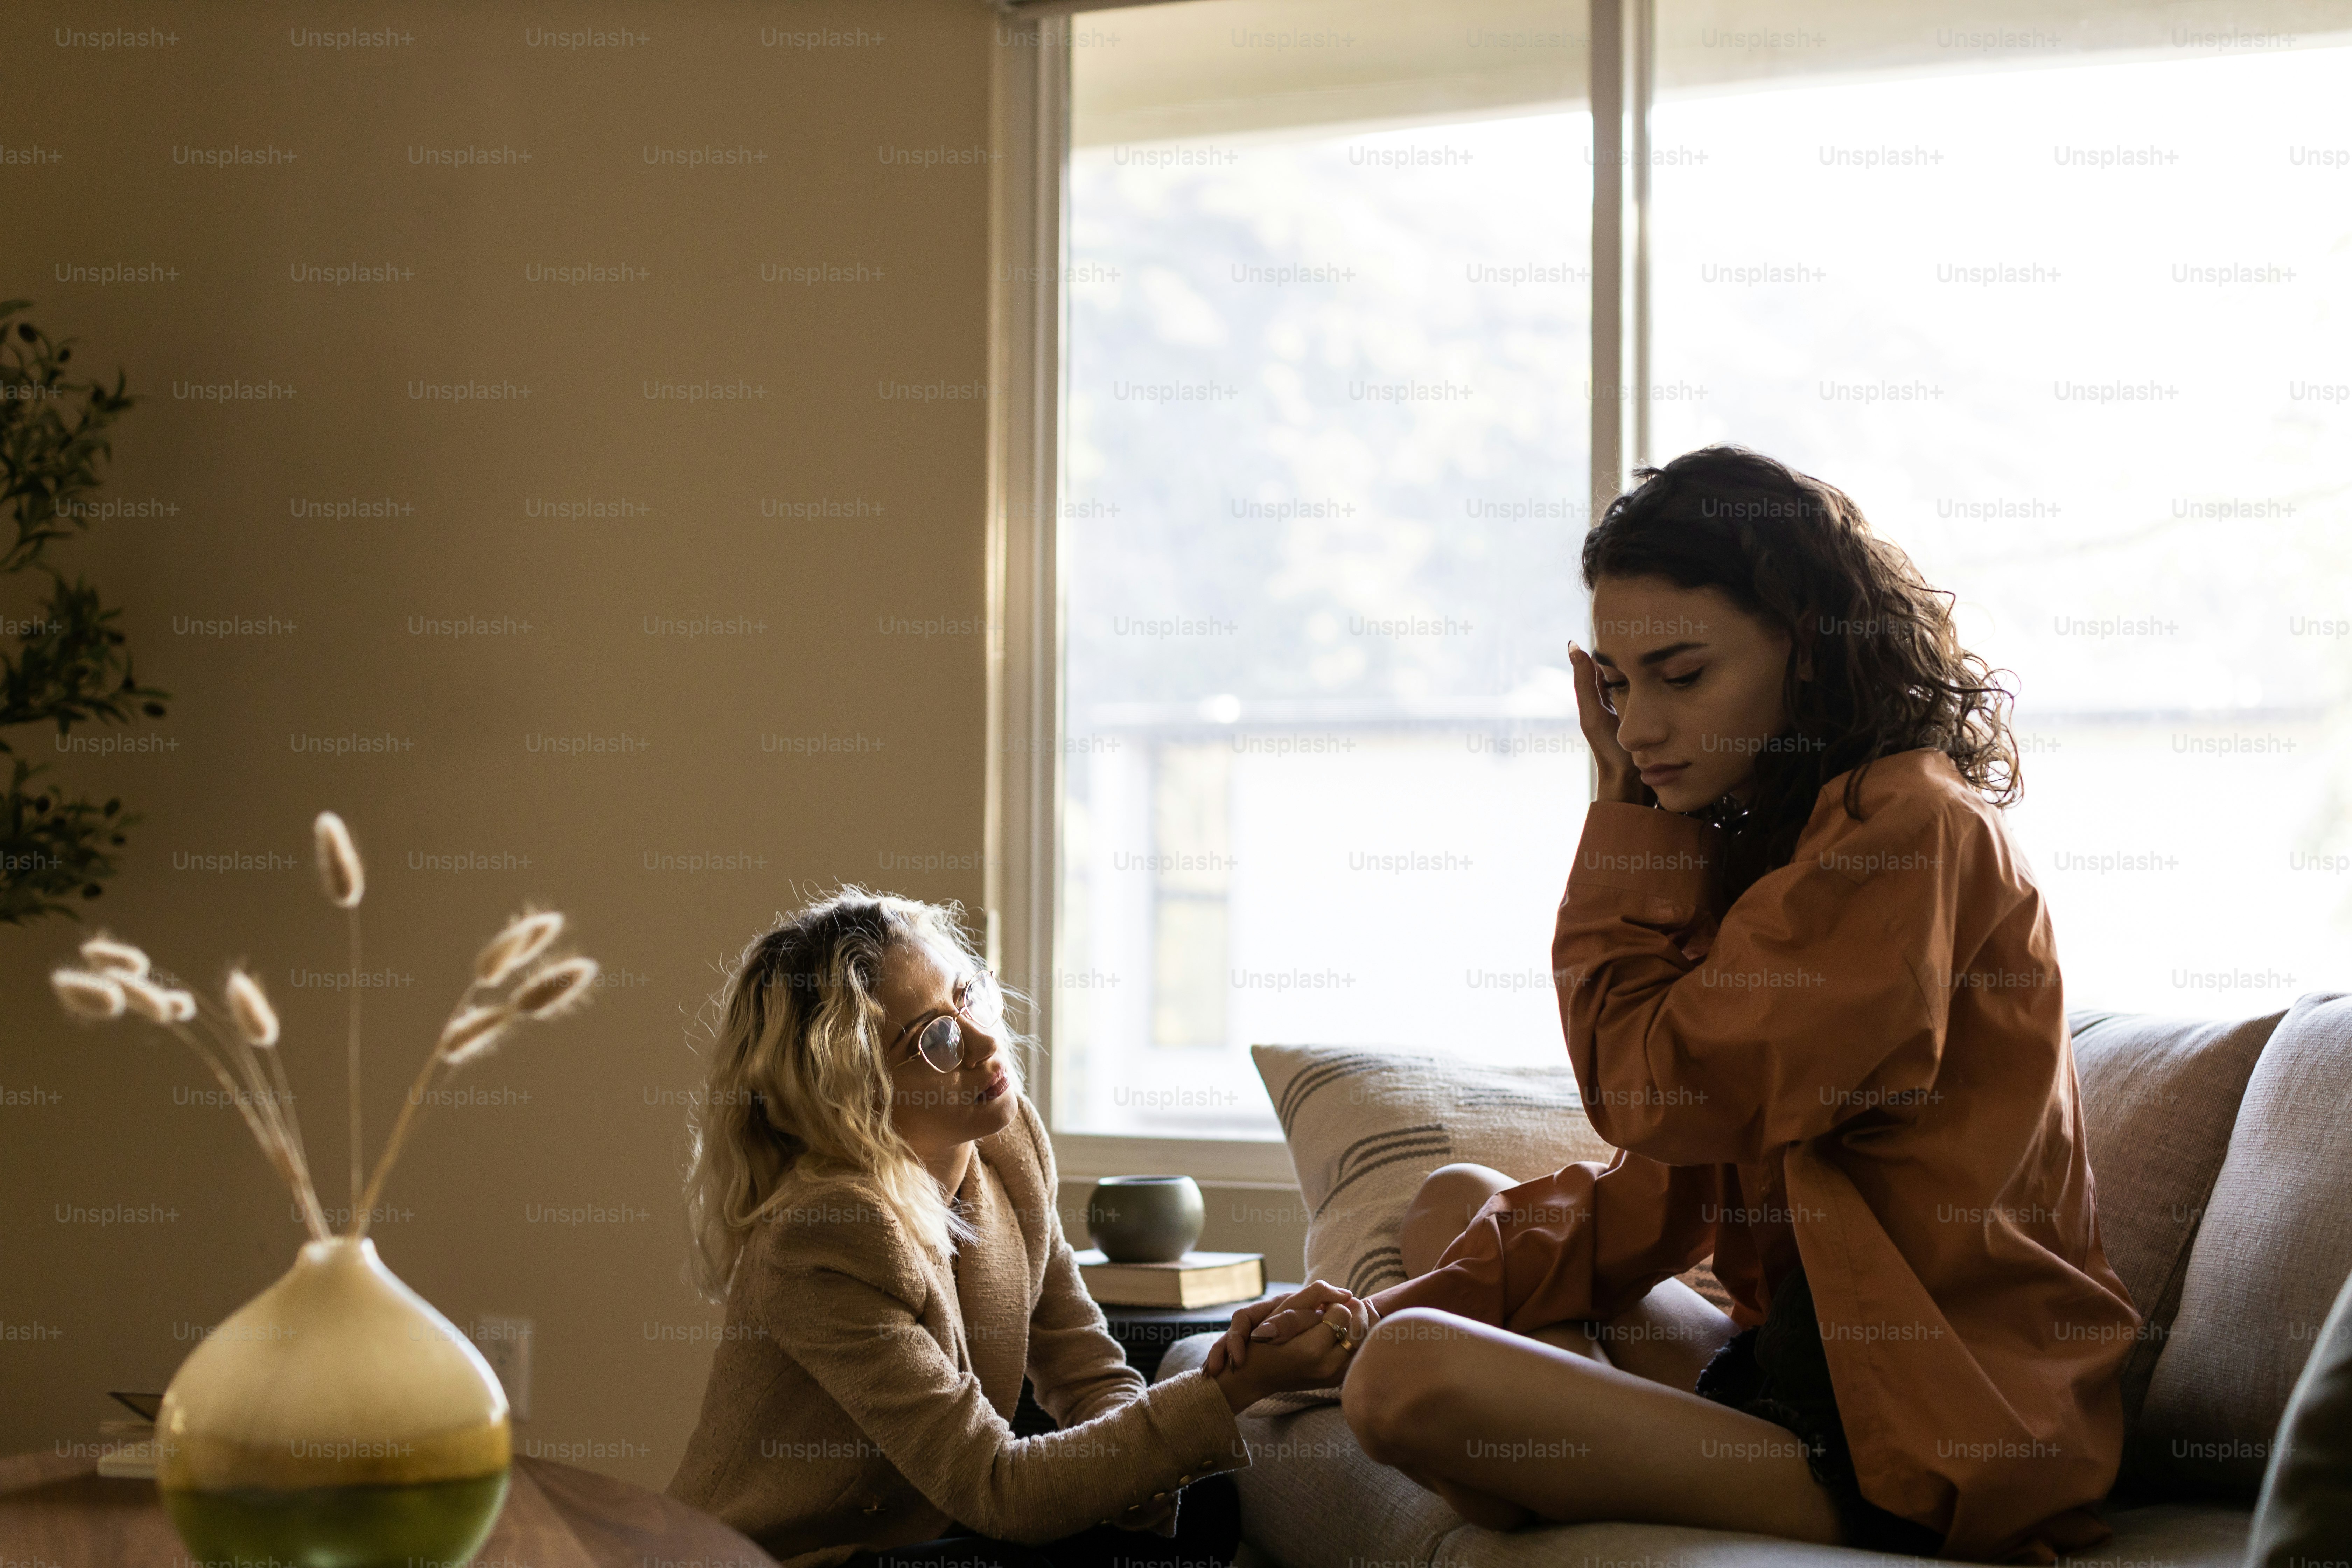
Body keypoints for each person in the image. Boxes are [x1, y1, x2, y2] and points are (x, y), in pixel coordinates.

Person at [1210, 446, 2141, 1562]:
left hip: (1925, 1432)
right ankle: (1563, 1456)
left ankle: (1564, 1464)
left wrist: (1620, 814)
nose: (1639, 728)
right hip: (1793, 1378)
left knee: (1409, 1378)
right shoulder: (1777, 837)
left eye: (1681, 676)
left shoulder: (1909, 831)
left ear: (1809, 654)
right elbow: (1664, 1189)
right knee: (1454, 1207)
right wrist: (1363, 1310)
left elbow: (1649, 1093)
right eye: (1616, 684)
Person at [666, 891, 1350, 1568]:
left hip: (932, 1525)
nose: (988, 1042)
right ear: (851, 1091)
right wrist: (1233, 1386)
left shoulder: (1005, 1142)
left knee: (1198, 1511)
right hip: (802, 1557)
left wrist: (1140, 1487)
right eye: (933, 1037)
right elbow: (1004, 1490)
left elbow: (1085, 1364)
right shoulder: (827, 1232)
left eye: (967, 995)